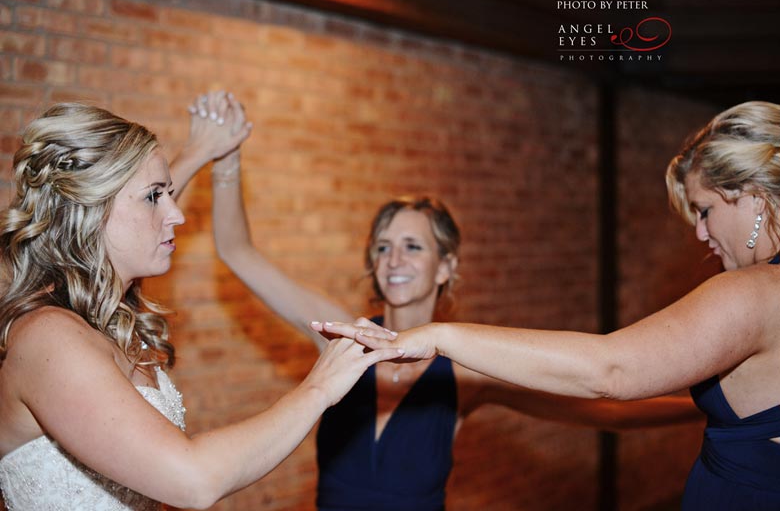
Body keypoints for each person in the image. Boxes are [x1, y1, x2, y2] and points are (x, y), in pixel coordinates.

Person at [172, 91, 703, 510]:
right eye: (382, 247)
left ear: (446, 266)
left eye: (412, 246)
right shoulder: (342, 335)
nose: (394, 259)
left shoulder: (467, 370)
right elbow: (237, 251)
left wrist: (704, 410)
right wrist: (227, 158)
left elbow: (600, 408)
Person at [323, 100, 780, 510]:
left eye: (704, 210)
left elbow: (610, 372)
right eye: (383, 248)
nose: (700, 233)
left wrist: (441, 335)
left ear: (755, 200)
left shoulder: (750, 291)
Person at [0, 102, 402, 510]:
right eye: (156, 197)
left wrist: (205, 150)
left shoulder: (100, 322)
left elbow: (136, 203)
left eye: (169, 194)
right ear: (91, 208)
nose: (177, 214)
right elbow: (195, 480)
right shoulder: (49, 340)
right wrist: (320, 387)